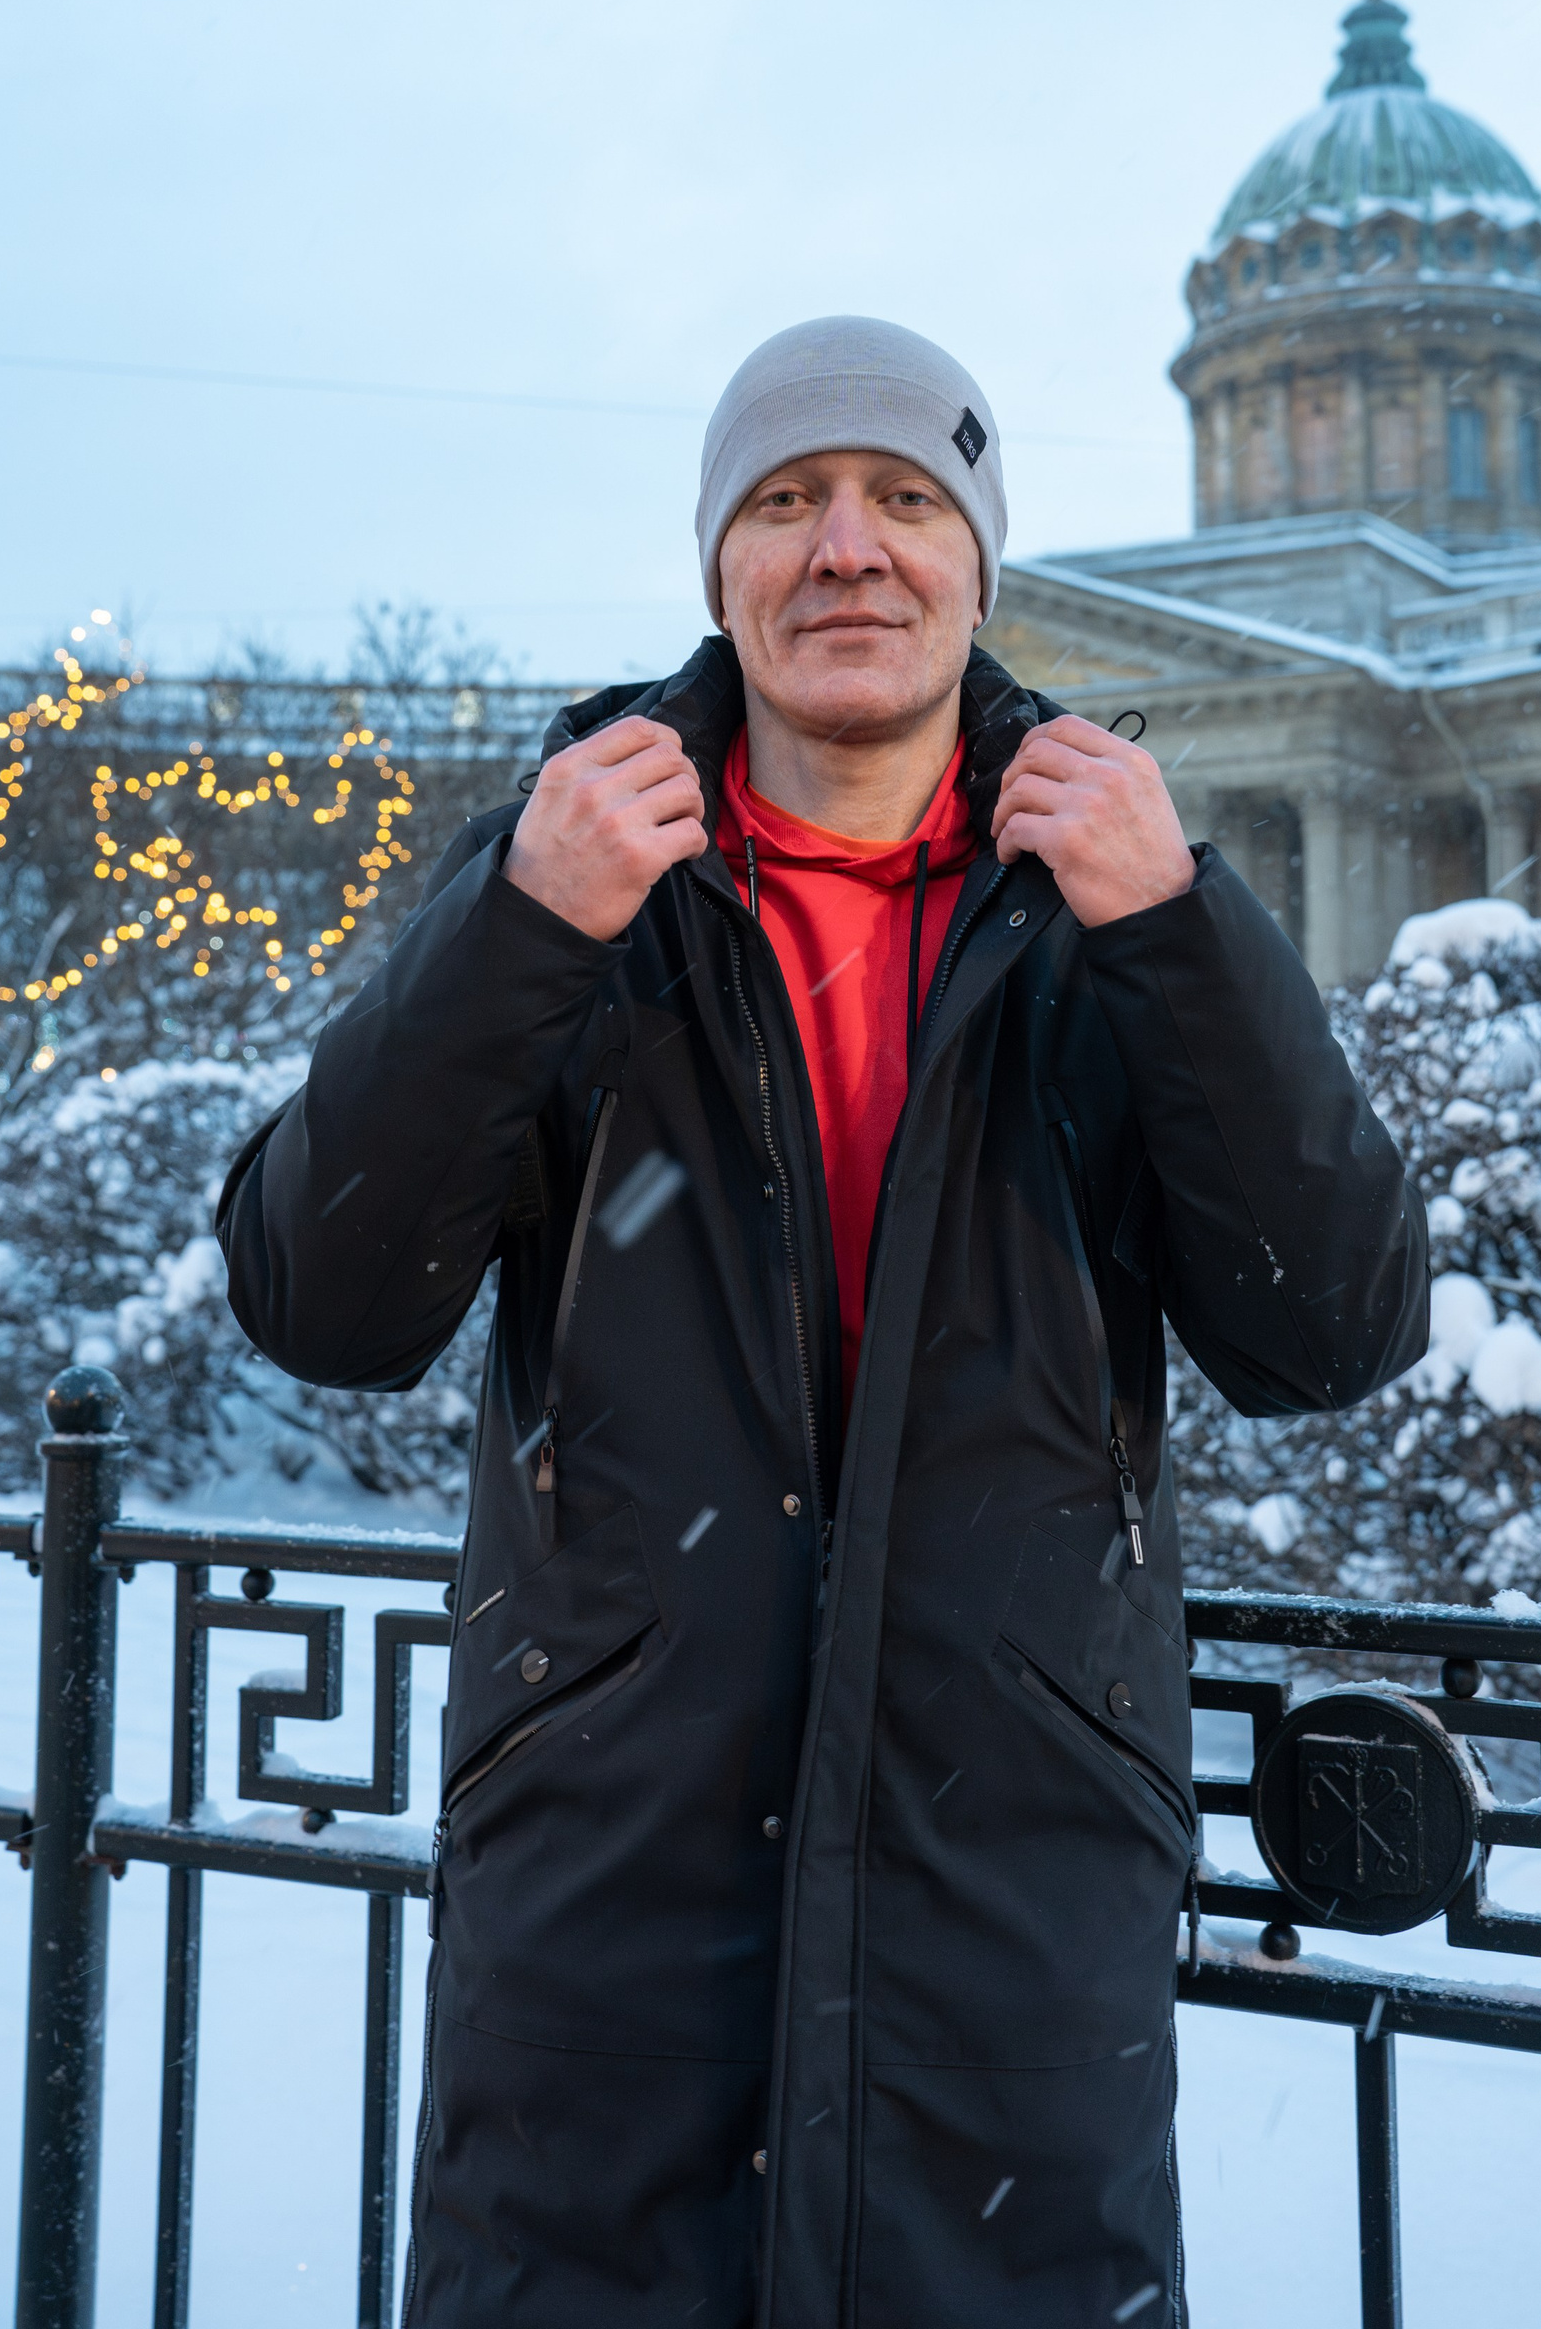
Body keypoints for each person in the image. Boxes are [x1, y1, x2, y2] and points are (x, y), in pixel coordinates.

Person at [218, 314, 1428, 2328]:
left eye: (904, 501)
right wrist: (516, 926)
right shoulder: (577, 878)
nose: (846, 547)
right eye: (784, 500)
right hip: (609, 1922)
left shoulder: (1109, 911)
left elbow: (1334, 1327)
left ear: (981, 566)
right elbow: (320, 1300)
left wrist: (1182, 929)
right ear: (720, 568)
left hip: (1008, 1925)